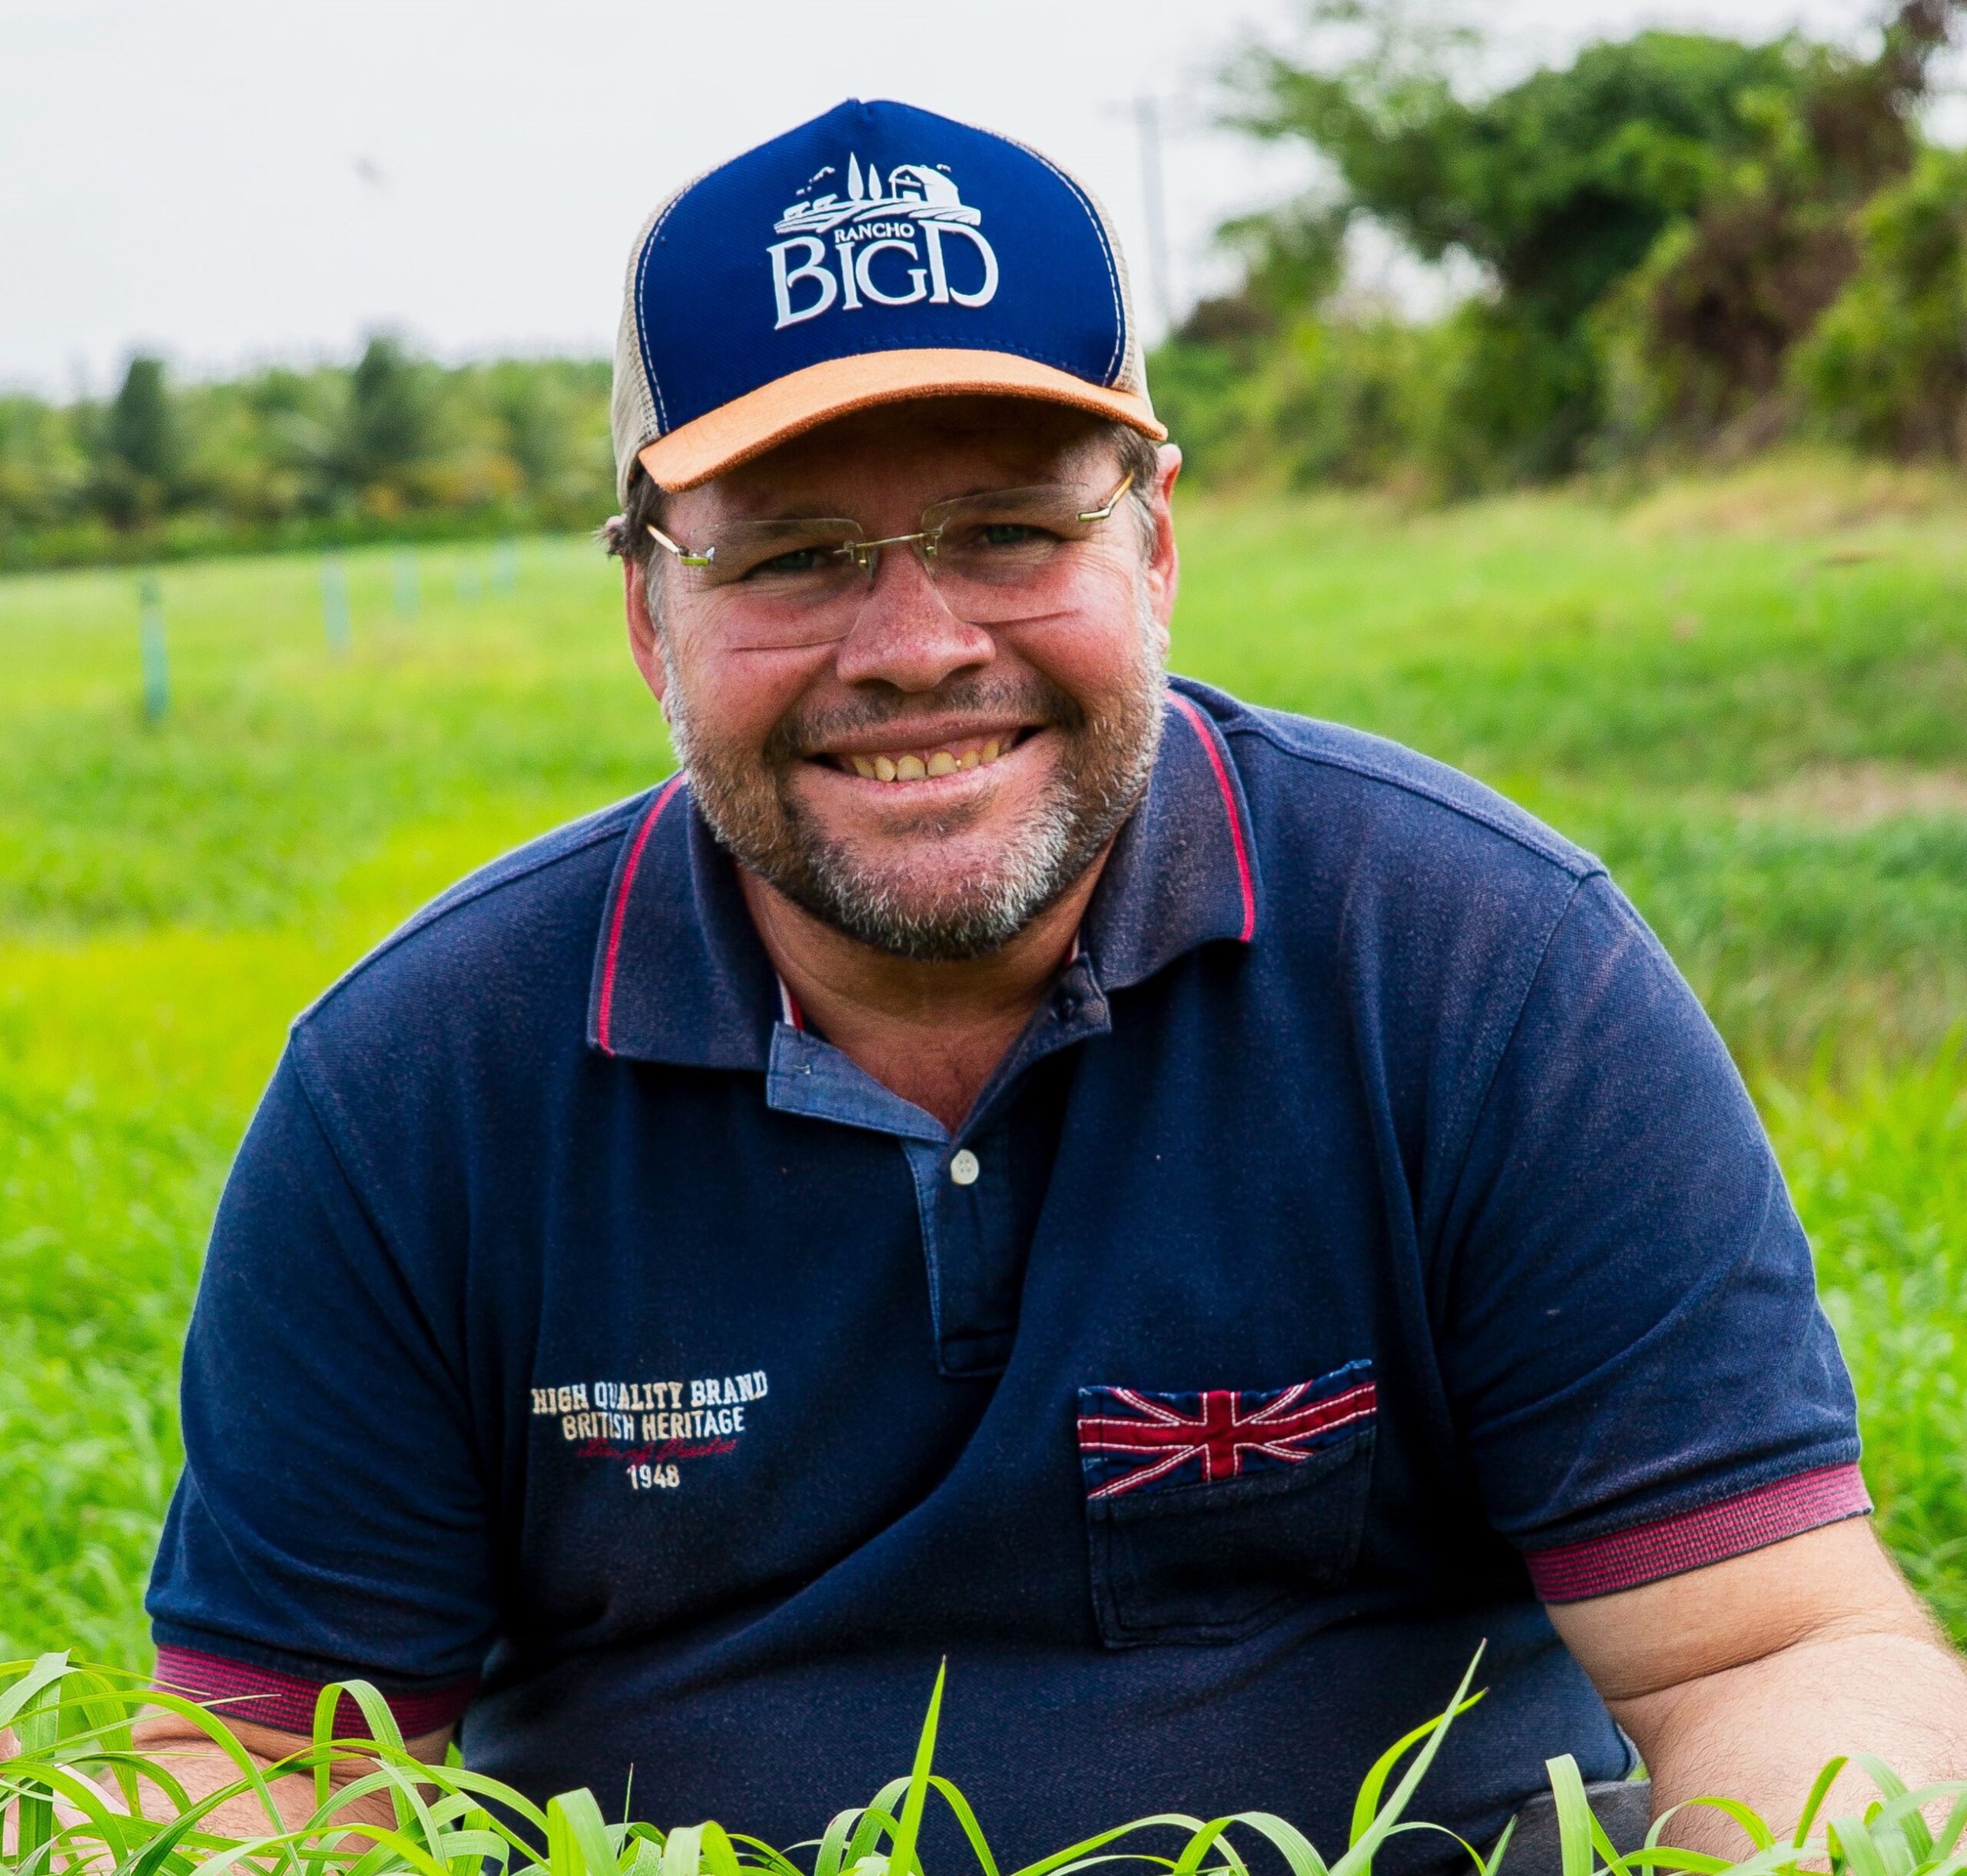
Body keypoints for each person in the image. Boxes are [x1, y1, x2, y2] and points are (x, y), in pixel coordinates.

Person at [139, 98, 1967, 1866]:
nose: (918, 644)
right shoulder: (413, 1086)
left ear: (1153, 544)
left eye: (1011, 530)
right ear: (647, 616)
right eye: (791, 555)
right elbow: (273, 1768)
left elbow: (1776, 1649)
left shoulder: (1487, 969)